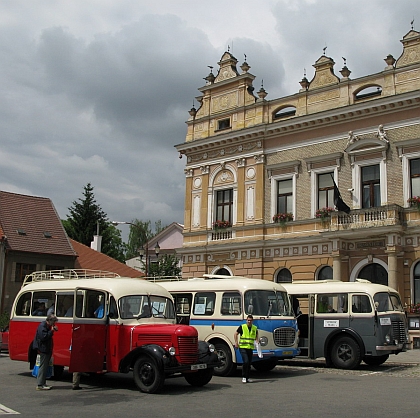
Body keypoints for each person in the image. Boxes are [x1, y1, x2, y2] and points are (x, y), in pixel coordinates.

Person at [32, 314, 58, 390]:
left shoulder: (47, 326)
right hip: (43, 349)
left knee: (45, 366)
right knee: (43, 367)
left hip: (47, 348)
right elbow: (43, 337)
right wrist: (51, 331)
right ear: (49, 321)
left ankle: (43, 383)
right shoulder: (42, 326)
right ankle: (40, 384)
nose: (54, 324)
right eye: (53, 322)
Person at [234, 314, 258, 383]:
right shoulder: (242, 327)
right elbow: (235, 334)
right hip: (243, 347)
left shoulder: (254, 328)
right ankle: (244, 377)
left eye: (250, 320)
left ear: (252, 321)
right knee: (246, 361)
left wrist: (257, 340)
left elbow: (256, 335)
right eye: (248, 320)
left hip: (250, 348)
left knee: (249, 363)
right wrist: (236, 343)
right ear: (246, 320)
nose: (249, 322)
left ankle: (248, 377)